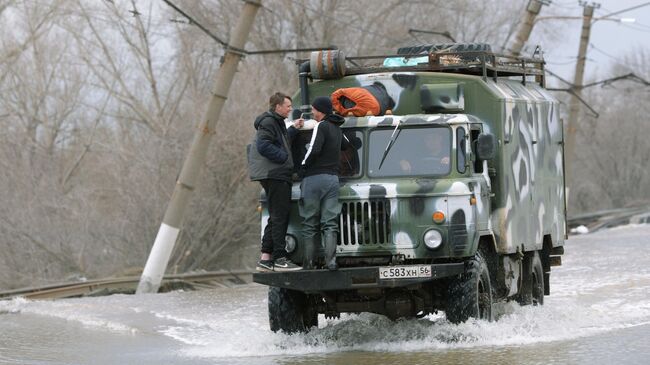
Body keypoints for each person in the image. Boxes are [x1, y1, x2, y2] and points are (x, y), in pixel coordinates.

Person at [247, 92, 304, 272]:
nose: (290, 108)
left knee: (275, 216)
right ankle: (280, 258)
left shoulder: (275, 122)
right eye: (287, 105)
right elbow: (264, 145)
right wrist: (283, 157)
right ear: (277, 106)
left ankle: (265, 258)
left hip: (275, 174)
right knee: (280, 216)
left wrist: (293, 128)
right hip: (276, 174)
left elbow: (281, 139)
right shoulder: (269, 122)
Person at [299, 96, 346, 270]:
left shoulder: (322, 126)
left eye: (314, 109)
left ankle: (309, 263)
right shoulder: (337, 129)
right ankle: (331, 262)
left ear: (320, 110)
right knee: (330, 222)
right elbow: (346, 147)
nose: (312, 112)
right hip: (332, 180)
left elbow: (314, 149)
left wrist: (303, 166)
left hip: (314, 179)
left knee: (310, 222)